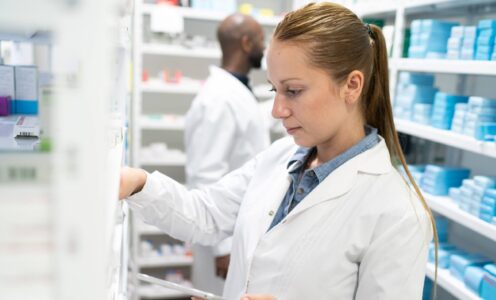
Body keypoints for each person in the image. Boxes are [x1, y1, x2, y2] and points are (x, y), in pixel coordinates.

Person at [120, 2, 436, 299]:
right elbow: (206, 214)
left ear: (352, 85)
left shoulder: (399, 214)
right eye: (275, 89)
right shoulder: (280, 156)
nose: (277, 110)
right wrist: (137, 183)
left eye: (293, 91)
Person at [184, 14, 270, 292]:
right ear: (246, 43)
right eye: (261, 40)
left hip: (240, 226)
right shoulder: (218, 99)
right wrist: (221, 247)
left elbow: (250, 126)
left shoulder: (236, 90)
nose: (264, 47)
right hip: (222, 235)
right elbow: (204, 174)